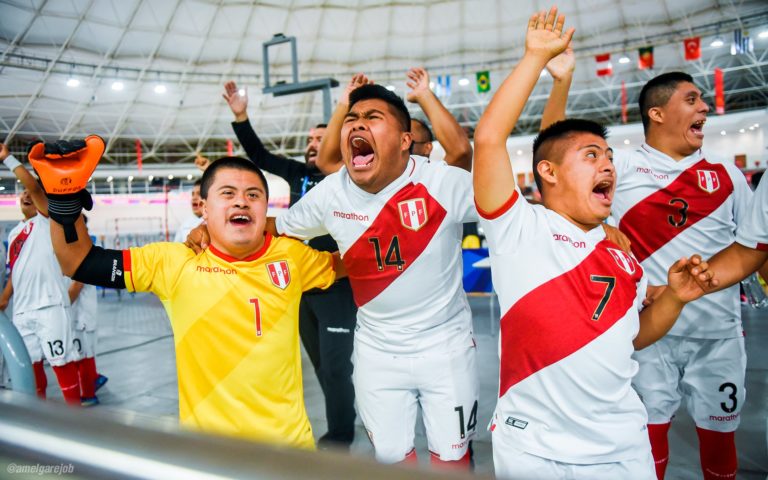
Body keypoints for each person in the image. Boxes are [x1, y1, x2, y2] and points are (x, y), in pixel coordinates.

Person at [473, 7, 714, 479]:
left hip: (621, 445)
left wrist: (676, 299)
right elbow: (488, 139)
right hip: (532, 447)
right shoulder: (519, 228)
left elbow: (634, 335)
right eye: (591, 156)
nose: (608, 165)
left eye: (608, 157)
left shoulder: (622, 254)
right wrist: (536, 60)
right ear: (547, 173)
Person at [30, 139, 343, 448]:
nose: (242, 202)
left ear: (265, 207)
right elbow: (78, 262)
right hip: (208, 454)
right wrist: (64, 203)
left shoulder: (290, 255)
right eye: (228, 194)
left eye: (253, 195)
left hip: (291, 452)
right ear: (203, 208)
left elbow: (354, 263)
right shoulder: (172, 262)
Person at [274, 82, 480, 469]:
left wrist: (592, 227)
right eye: (351, 119)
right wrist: (213, 229)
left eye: (372, 117)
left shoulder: (443, 182)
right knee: (390, 464)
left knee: (452, 462)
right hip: (376, 353)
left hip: (447, 347)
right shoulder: (330, 192)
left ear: (405, 141)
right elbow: (277, 227)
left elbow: (517, 213)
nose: (356, 125)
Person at [223, 79, 358, 448]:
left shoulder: (345, 178)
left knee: (335, 366)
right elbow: (260, 156)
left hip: (336, 285)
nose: (315, 144)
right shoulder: (298, 174)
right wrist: (241, 116)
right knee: (320, 367)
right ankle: (342, 416)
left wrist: (344, 107)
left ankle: (342, 435)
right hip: (301, 288)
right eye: (311, 141)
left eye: (322, 138)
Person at [0, 142, 82, 405]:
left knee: (62, 364)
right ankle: (38, 421)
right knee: (32, 371)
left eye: (29, 193)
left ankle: (76, 421)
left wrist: (7, 158)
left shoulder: (48, 221)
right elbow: (17, 272)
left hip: (50, 307)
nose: (26, 194)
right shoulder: (14, 234)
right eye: (21, 192)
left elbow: (35, 188)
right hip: (22, 312)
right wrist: (5, 298)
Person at [316, 68, 473, 174]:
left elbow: (461, 152)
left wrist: (424, 95)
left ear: (427, 148)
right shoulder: (366, 176)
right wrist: (346, 103)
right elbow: (325, 162)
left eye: (409, 139)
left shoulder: (433, 180)